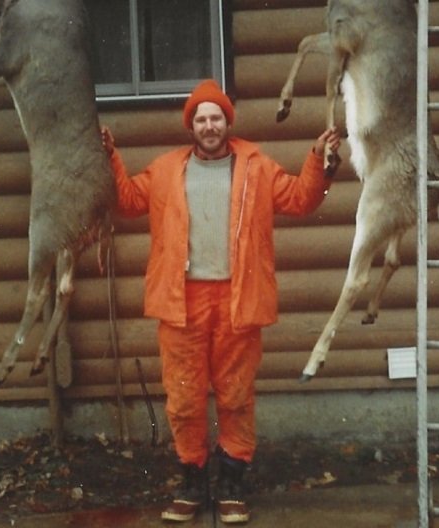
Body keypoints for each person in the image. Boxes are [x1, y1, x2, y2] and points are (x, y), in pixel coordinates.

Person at [101, 79, 340, 524]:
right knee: (184, 398)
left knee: (236, 396)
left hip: (237, 299)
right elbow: (128, 200)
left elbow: (300, 199)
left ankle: (231, 486)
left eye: (216, 118)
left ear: (227, 122)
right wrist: (109, 156)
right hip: (182, 302)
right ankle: (192, 485)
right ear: (191, 126)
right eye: (201, 119)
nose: (209, 126)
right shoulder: (166, 169)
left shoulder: (256, 166)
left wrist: (318, 161)